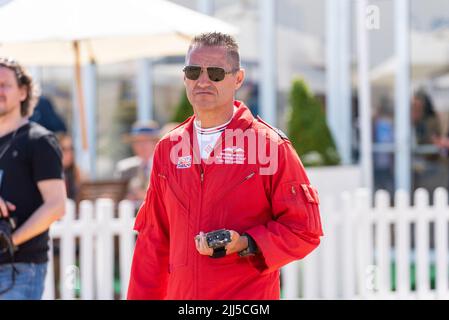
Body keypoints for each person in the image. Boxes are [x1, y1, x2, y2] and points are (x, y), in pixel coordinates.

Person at [127, 32, 323, 300]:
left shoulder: (269, 146)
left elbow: (304, 230)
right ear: (185, 77)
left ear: (238, 78)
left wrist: (246, 243)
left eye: (216, 73)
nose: (203, 81)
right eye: (194, 71)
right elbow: (153, 242)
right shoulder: (167, 148)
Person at [0, 57, 66, 299]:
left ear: (23, 92)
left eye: (4, 84)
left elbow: (56, 206)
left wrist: (10, 241)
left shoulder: (39, 141)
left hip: (20, 269)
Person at [115, 120, 160, 204]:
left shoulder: (163, 166)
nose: (141, 145)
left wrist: (143, 195)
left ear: (156, 143)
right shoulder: (125, 167)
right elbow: (118, 195)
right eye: (137, 141)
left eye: (146, 141)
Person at [55, 133, 84, 202]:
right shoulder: (49, 175)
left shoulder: (77, 173)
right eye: (64, 149)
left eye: (71, 149)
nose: (69, 153)